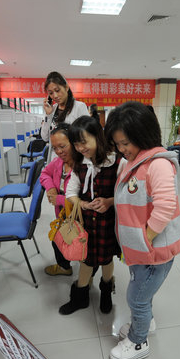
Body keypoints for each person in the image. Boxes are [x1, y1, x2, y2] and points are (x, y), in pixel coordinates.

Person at [104, 101, 180, 359]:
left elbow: (165, 206)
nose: (121, 149)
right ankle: (144, 323)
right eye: (117, 144)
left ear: (142, 134)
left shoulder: (158, 164)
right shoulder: (132, 161)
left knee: (136, 296)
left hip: (152, 250)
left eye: (125, 142)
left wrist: (144, 240)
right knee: (141, 290)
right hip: (139, 250)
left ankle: (138, 341)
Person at [61, 115, 123, 315]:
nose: (80, 148)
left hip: (109, 221)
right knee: (85, 259)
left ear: (98, 136)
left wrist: (109, 201)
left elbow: (127, 194)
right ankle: (80, 297)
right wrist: (84, 204)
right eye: (76, 144)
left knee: (106, 259)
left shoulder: (117, 162)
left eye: (84, 142)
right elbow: (70, 192)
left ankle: (106, 291)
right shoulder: (80, 164)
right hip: (86, 222)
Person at [40, 123, 75, 276]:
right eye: (55, 148)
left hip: (78, 214)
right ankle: (64, 267)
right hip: (61, 214)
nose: (58, 151)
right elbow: (44, 174)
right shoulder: (58, 163)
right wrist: (50, 188)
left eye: (62, 146)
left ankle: (87, 276)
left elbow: (83, 197)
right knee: (57, 239)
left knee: (81, 242)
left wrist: (59, 199)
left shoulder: (83, 166)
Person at [40, 71, 89, 143]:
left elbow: (87, 134)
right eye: (51, 93)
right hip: (55, 153)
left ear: (66, 87)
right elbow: (45, 137)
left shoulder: (79, 107)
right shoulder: (52, 110)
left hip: (73, 152)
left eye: (57, 90)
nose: (55, 96)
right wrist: (48, 114)